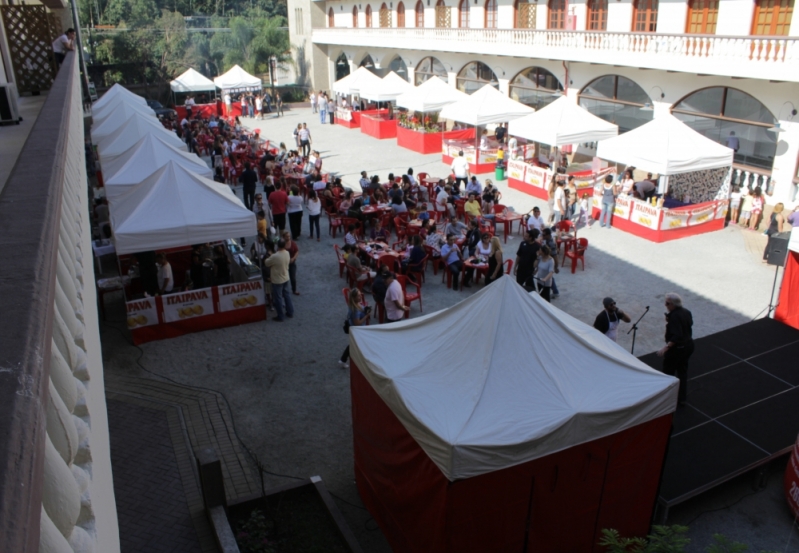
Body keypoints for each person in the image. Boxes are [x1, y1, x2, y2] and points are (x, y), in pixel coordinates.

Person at [657, 293, 694, 403]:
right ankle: (681, 398)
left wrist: (666, 348)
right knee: (682, 372)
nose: (665, 305)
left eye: (667, 303)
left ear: (673, 304)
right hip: (688, 346)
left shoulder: (674, 316)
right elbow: (689, 324)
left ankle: (665, 398)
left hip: (678, 349)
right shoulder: (686, 312)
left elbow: (677, 335)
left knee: (668, 372)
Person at [264, 239, 294, 321]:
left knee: (278, 298)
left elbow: (266, 263)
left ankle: (280, 316)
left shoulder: (275, 256)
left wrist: (270, 255)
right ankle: (290, 312)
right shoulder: (287, 253)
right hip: (285, 277)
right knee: (287, 296)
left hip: (277, 280)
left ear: (278, 245)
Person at [339, 288, 370, 367]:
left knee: (355, 345)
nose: (360, 297)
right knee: (355, 345)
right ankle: (343, 360)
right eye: (358, 296)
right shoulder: (355, 309)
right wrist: (366, 316)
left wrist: (365, 310)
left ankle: (343, 360)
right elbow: (357, 323)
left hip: (356, 329)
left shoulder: (355, 305)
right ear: (354, 298)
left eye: (360, 295)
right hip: (358, 330)